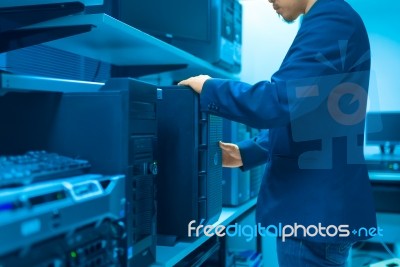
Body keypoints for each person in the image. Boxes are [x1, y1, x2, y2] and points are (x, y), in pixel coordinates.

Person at [178, 0, 377, 266]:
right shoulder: (331, 18)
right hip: (318, 212)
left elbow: (280, 102)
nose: (268, 0)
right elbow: (309, 116)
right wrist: (245, 153)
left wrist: (210, 87)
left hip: (312, 213)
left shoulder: (331, 19)